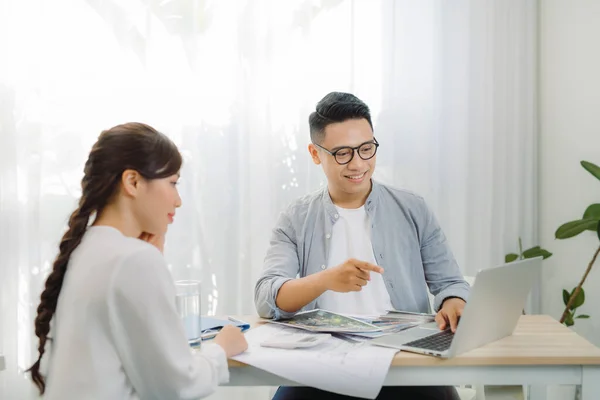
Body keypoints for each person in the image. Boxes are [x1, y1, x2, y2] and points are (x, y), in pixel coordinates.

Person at [254, 92, 468, 400]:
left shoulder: (413, 208)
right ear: (316, 154)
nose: (359, 164)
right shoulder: (296, 218)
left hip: (404, 362)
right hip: (319, 367)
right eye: (343, 153)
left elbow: (450, 283)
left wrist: (454, 303)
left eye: (366, 149)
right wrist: (325, 280)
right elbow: (266, 298)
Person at [27, 123, 247, 399]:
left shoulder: (87, 248)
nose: (178, 201)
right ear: (132, 182)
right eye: (173, 183)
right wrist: (221, 348)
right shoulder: (132, 260)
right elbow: (175, 387)